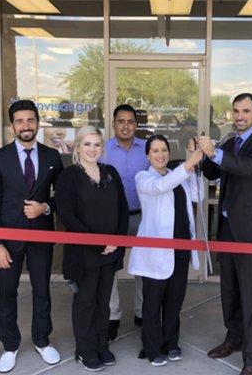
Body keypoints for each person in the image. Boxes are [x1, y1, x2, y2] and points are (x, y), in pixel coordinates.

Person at [199, 93, 252, 375]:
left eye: (245, 111)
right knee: (230, 291)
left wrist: (216, 153)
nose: (239, 116)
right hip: (228, 229)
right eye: (236, 111)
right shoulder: (230, 141)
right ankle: (233, 339)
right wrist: (202, 154)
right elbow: (213, 172)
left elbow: (250, 168)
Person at [0, 100, 64, 373]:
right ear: (12, 126)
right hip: (8, 239)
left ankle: (42, 340)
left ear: (38, 123)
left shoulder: (52, 156)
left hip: (41, 236)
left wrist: (45, 207)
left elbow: (63, 197)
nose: (25, 126)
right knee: (7, 293)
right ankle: (10, 345)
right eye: (19, 121)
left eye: (30, 120)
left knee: (42, 291)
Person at [56, 126, 129, 372]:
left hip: (110, 252)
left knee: (103, 302)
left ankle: (101, 346)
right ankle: (85, 350)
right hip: (84, 254)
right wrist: (99, 243)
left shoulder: (111, 173)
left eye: (97, 144)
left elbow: (122, 209)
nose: (92, 149)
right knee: (85, 302)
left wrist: (117, 240)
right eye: (87, 144)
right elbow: (67, 215)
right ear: (77, 147)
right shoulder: (69, 176)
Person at [128, 134, 204, 366]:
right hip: (156, 252)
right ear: (147, 155)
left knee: (174, 300)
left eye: (164, 150)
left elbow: (198, 195)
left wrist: (194, 165)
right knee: (153, 302)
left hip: (181, 247)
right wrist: (188, 164)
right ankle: (152, 348)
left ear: (169, 153)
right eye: (155, 150)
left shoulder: (176, 174)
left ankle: (171, 343)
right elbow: (161, 187)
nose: (160, 154)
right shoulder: (143, 178)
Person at [101, 104, 149, 340]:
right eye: (121, 121)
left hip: (143, 216)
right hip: (113, 219)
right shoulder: (103, 150)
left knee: (144, 267)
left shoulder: (147, 149)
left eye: (130, 121)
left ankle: (142, 312)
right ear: (113, 124)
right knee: (110, 267)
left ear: (136, 125)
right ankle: (112, 315)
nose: (126, 126)